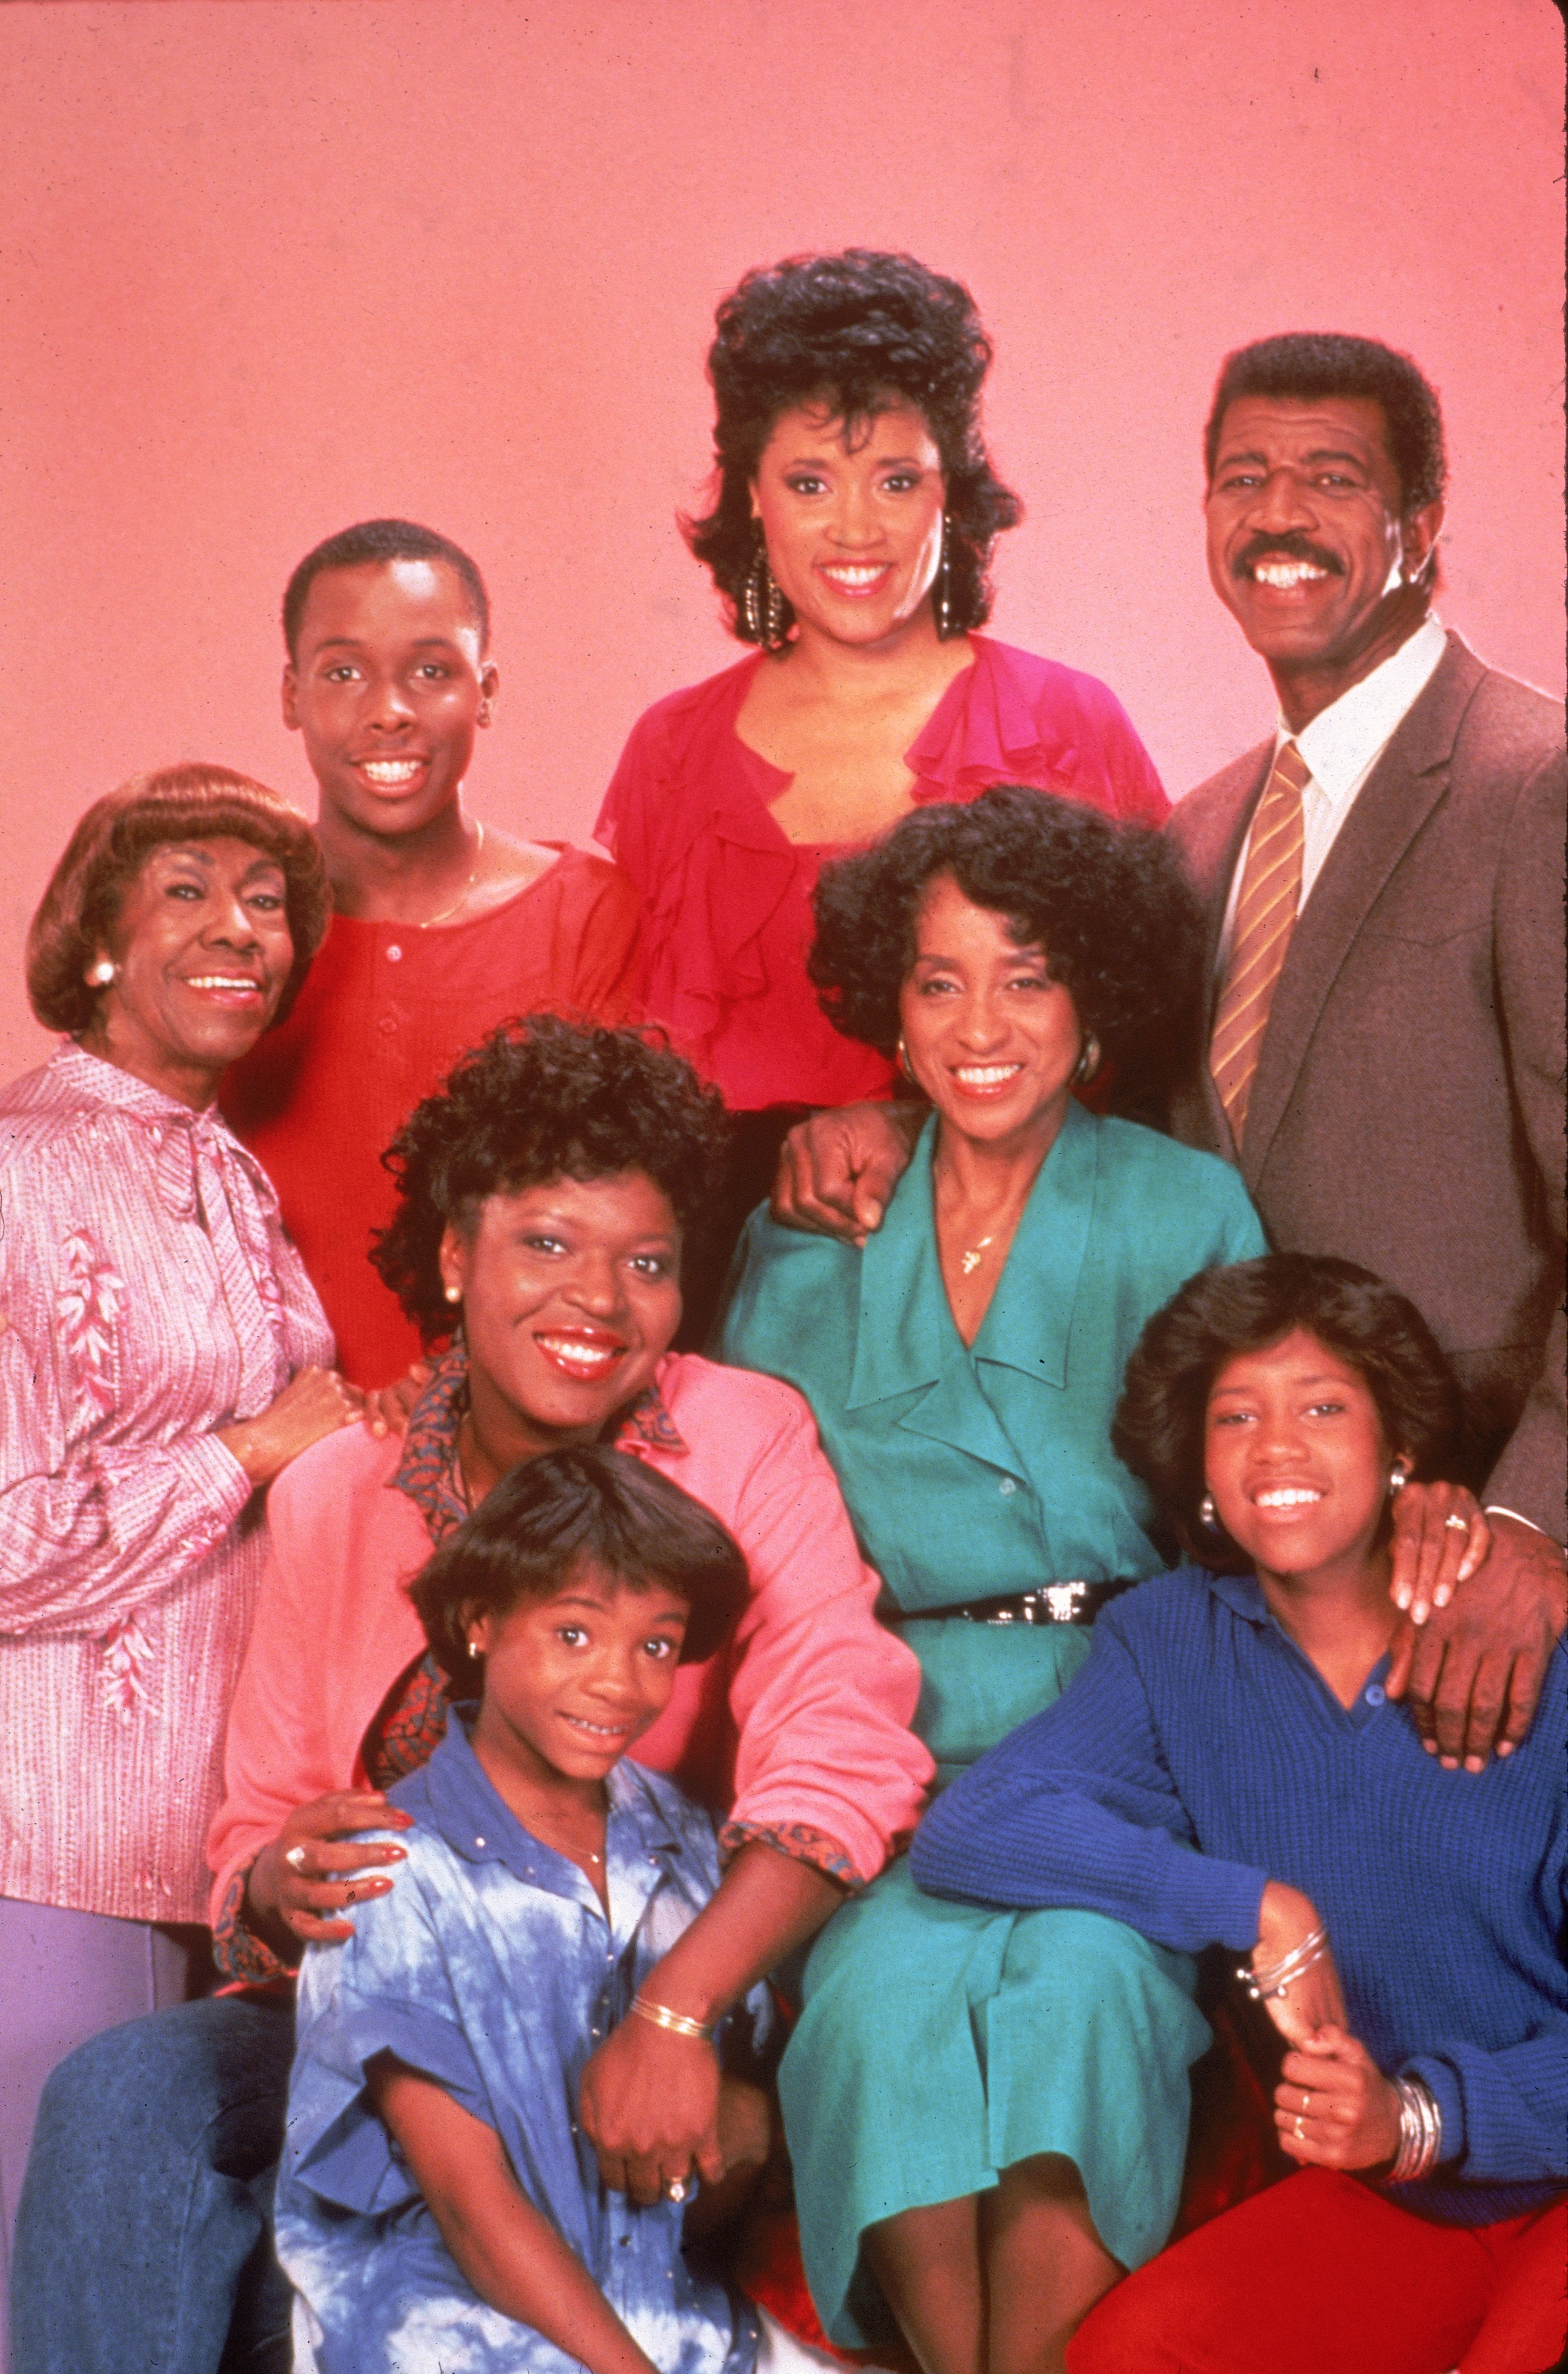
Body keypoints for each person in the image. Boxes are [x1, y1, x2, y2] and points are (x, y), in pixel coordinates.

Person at [11, 1016, 930, 2374]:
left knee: (353, 2282)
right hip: (374, 2003)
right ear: (455, 1256)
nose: (598, 1302)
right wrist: (279, 1879)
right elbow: (255, 1820)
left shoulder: (739, 1437)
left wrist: (681, 2012)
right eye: (547, 1245)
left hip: (628, 1996)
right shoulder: (337, 1491)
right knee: (121, 2093)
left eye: (648, 1263)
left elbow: (843, 1741)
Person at [771, 331, 1567, 1772]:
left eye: (1333, 478)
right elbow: (1051, 1090)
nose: (1279, 515)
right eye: (1242, 477)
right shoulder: (1202, 837)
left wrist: (1531, 1524)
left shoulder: (1534, 785)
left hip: (1465, 1565)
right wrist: (897, 1117)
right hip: (1235, 1572)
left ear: (1424, 524)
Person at [716, 790, 1274, 2372]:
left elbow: (1237, 1522)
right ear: (883, 1009)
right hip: (879, 1734)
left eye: (1023, 976)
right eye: (937, 978)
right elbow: (747, 1526)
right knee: (882, 2017)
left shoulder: (1180, 1205)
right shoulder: (806, 1225)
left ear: (1092, 993)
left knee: (1079, 2000)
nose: (979, 1024)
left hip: (1114, 1727)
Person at [912, 1254, 1566, 2374]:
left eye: (1321, 1408)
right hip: (1407, 2211)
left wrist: (1416, 2118)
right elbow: (975, 1825)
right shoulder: (1171, 1641)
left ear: (1397, 1446)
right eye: (1235, 1417)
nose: (1277, 1449)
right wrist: (1250, 1902)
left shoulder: (1519, 1640)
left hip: (1527, 2172)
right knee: (1126, 2358)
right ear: (1200, 1469)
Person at [594, 251, 1167, 1334]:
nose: (855, 530)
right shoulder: (671, 752)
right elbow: (624, 1091)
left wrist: (923, 1121)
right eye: (810, 481)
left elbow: (1151, 1064)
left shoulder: (1063, 725)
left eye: (896, 480)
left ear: (951, 492)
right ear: (751, 499)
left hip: (1019, 1281)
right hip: (725, 1300)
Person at [0, 767, 362, 2362]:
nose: (240, 927)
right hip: (48, 1836)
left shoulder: (230, 1172)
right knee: (49, 2299)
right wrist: (252, 1451)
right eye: (188, 892)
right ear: (93, 943)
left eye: (267, 900)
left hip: (207, 1848)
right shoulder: (19, 1164)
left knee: (162, 2308)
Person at [278, 1444, 785, 2374]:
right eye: (573, 1635)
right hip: (458, 2339)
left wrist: (750, 2120)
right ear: (480, 1622)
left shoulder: (684, 1838)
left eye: (656, 1646)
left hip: (677, 2328)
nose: (618, 1684)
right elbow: (472, 2211)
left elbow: (734, 2120)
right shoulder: (392, 1870)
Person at [222, 519, 642, 1384]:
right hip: (264, 1428)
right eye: (344, 672)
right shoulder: (231, 929)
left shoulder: (583, 915)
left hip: (510, 1436)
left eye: (432, 671)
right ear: (291, 695)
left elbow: (616, 1219)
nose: (390, 711)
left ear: (484, 691)